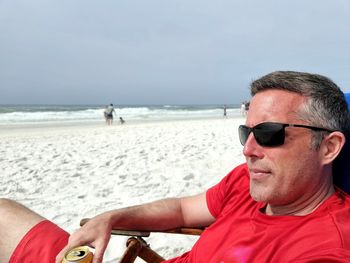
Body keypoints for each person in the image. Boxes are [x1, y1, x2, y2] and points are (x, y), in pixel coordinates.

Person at [1, 71, 350, 263]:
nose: (247, 149)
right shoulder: (249, 183)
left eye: (268, 134)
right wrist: (111, 218)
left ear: (329, 148)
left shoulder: (325, 248)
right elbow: (183, 209)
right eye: (246, 132)